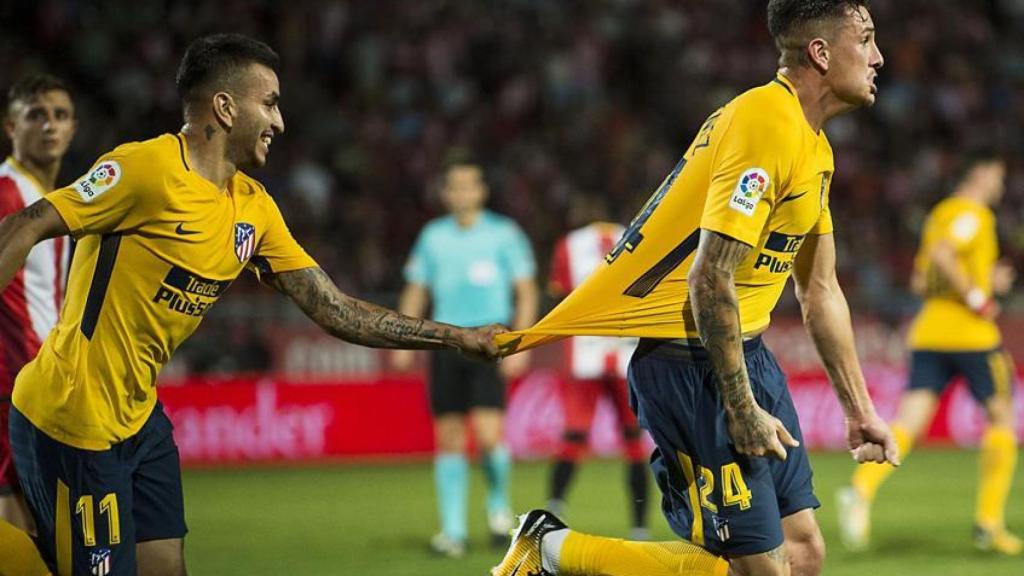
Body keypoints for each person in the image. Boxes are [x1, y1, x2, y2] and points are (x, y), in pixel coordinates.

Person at [0, 34, 504, 576]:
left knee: (167, 568)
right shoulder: (144, 169)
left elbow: (333, 308)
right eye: (269, 102)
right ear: (223, 106)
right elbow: (26, 224)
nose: (279, 121)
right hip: (70, 416)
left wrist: (456, 337)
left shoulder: (254, 209)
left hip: (139, 418)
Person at [491, 2, 899, 576]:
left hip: (749, 355)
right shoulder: (764, 123)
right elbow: (711, 275)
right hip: (693, 368)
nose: (879, 57)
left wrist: (859, 410)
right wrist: (741, 408)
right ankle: (550, 551)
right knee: (750, 569)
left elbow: (821, 289)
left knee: (803, 554)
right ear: (821, 53)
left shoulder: (815, 148)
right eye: (867, 40)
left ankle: (548, 549)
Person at [837, 150, 1021, 555]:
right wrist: (978, 296)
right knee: (1002, 418)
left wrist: (984, 279)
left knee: (910, 421)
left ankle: (860, 490)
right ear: (982, 172)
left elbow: (924, 280)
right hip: (971, 336)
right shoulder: (974, 214)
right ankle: (989, 523)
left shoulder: (939, 214)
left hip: (928, 332)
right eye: (998, 176)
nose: (1000, 185)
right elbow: (943, 257)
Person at [391, 154, 538, 557]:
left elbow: (526, 291)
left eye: (468, 185)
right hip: (445, 343)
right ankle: (453, 532)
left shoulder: (504, 234)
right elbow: (416, 290)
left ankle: (497, 506)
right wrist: (402, 339)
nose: (460, 192)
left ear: (482, 191)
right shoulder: (433, 237)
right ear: (444, 193)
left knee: (490, 436)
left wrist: (520, 344)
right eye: (453, 186)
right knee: (449, 438)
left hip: (488, 341)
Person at [545, 194, 648, 539]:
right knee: (634, 441)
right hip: (626, 352)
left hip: (583, 354)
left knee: (574, 436)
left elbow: (560, 295)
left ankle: (554, 512)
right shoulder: (638, 236)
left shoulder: (567, 246)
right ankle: (639, 526)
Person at [0, 74, 76, 536]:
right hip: (12, 389)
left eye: (60, 115)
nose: (49, 125)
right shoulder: (7, 194)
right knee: (27, 538)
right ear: (11, 127)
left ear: (74, 128)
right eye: (36, 115)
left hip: (42, 388)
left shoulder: (55, 201)